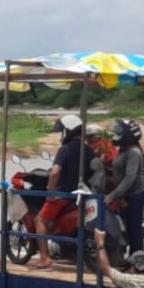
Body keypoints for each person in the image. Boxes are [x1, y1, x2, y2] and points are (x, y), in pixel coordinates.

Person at [32, 115, 95, 270]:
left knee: (39, 220)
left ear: (67, 131)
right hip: (82, 195)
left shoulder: (65, 150)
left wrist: (50, 192)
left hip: (64, 195)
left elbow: (54, 173)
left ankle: (45, 258)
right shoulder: (88, 150)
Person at [103, 119, 144, 257]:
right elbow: (119, 171)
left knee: (134, 229)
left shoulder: (134, 152)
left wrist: (112, 195)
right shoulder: (124, 150)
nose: (116, 135)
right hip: (126, 194)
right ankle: (130, 259)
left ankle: (138, 263)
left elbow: (130, 178)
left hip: (136, 194)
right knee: (128, 228)